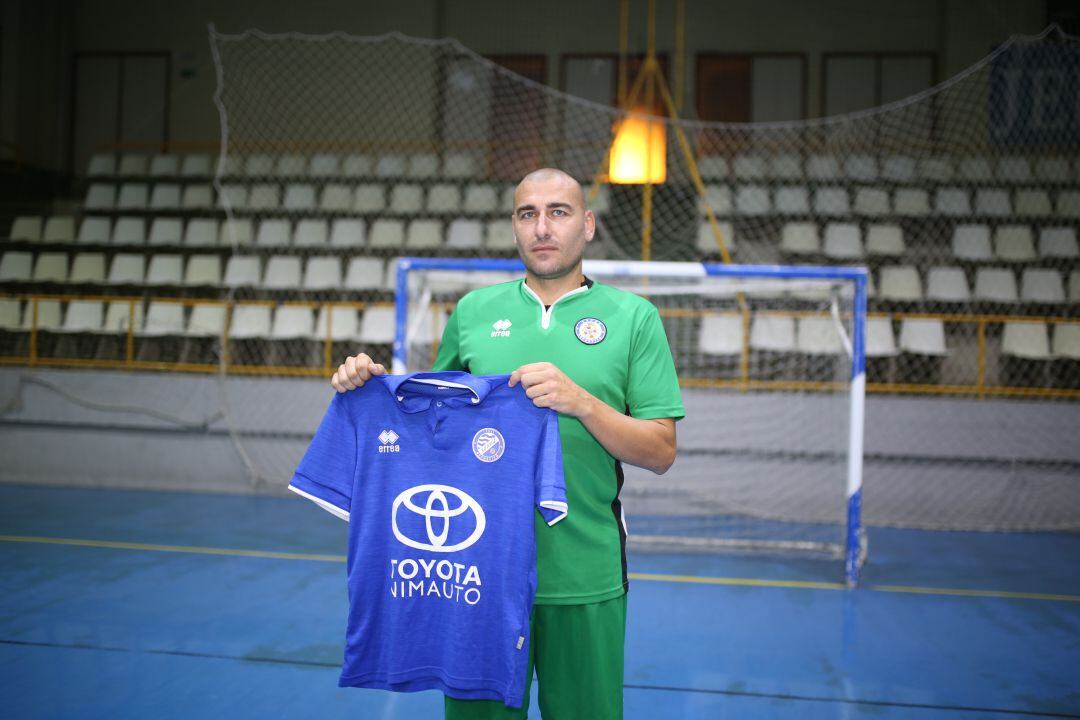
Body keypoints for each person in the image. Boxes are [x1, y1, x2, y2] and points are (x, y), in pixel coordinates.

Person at [331, 168, 685, 719]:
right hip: (477, 577)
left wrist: (581, 401)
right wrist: (369, 383)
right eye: (528, 214)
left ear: (587, 225)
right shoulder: (473, 312)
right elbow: (429, 421)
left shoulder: (634, 317)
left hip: (585, 572)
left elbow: (661, 452)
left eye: (559, 212)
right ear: (515, 228)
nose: (542, 227)